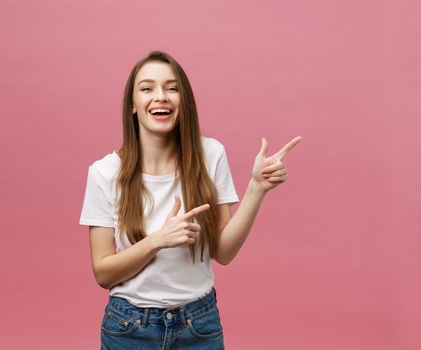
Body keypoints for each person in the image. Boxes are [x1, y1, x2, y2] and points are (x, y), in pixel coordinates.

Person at [79, 50, 303, 349]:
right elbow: (103, 273)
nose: (161, 97)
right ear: (133, 105)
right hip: (129, 328)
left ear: (183, 102)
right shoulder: (104, 172)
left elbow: (223, 252)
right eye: (147, 88)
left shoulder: (210, 155)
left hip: (198, 325)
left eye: (171, 88)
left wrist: (256, 189)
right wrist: (158, 240)